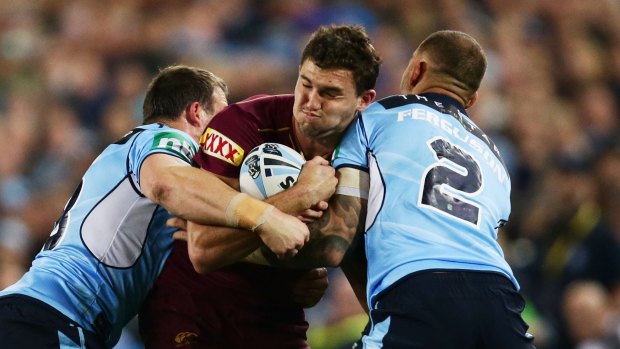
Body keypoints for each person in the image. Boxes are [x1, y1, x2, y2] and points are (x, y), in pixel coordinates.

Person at [0, 65, 316, 349]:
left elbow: (202, 243)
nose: (230, 130)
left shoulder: (165, 180)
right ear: (196, 113)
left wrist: (290, 272)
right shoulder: (166, 139)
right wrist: (268, 216)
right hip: (49, 319)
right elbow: (167, 182)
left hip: (47, 319)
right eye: (221, 116)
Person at [255, 30, 537, 348]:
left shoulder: (377, 118)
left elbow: (335, 242)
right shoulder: (497, 158)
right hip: (500, 300)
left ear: (415, 70)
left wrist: (254, 235)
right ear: (470, 100)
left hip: (420, 291)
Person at [138, 24, 380, 349]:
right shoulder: (243, 124)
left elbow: (345, 248)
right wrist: (299, 196)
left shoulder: (367, 151)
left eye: (329, 93)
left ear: (364, 100)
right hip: (196, 305)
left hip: (275, 316)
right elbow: (203, 249)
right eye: (305, 84)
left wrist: (302, 268)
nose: (310, 101)